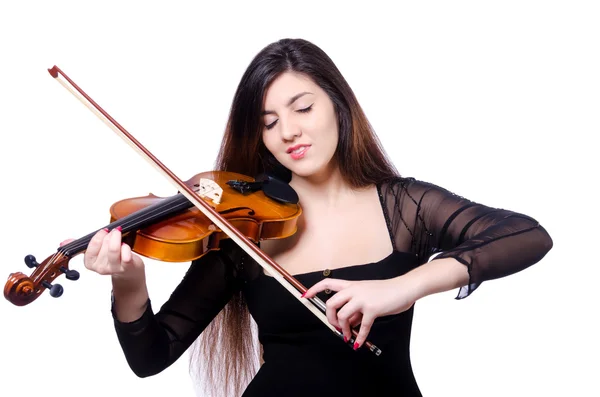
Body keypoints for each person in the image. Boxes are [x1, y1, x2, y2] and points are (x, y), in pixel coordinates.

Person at [62, 38, 553, 396]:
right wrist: (128, 284)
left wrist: (408, 284)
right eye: (269, 123)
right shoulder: (241, 229)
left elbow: (527, 235)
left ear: (337, 105)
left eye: (302, 107)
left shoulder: (404, 207)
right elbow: (151, 356)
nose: (289, 132)